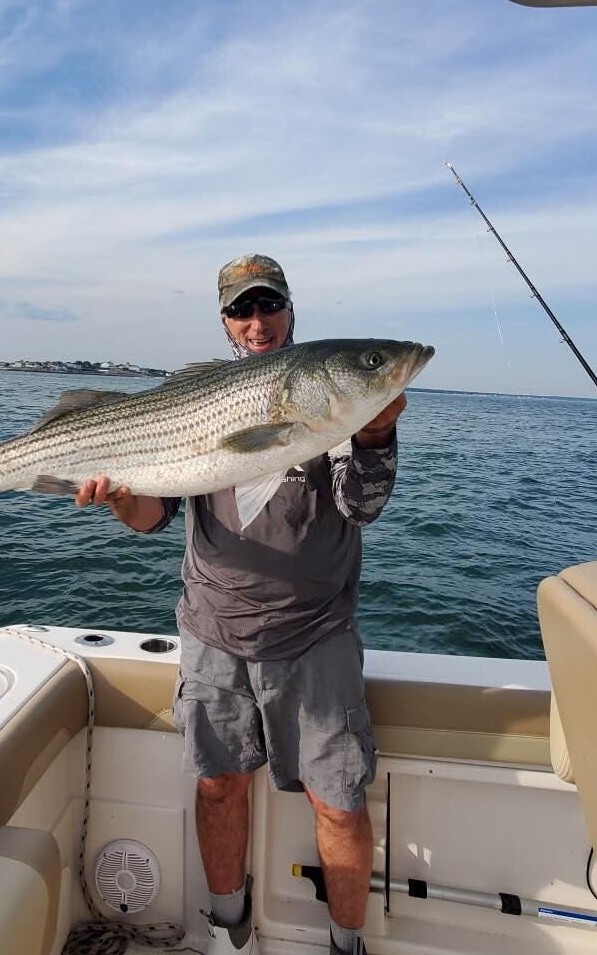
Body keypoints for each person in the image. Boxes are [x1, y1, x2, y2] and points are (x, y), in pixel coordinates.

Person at [76, 254, 406, 955]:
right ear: (226, 321)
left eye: (269, 306)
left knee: (340, 804)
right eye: (241, 311)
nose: (257, 323)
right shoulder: (200, 394)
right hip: (213, 629)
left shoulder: (330, 401)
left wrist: (375, 432)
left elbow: (360, 506)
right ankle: (229, 935)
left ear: (291, 309)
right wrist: (117, 496)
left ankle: (347, 946)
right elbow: (151, 517)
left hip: (316, 634)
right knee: (219, 785)